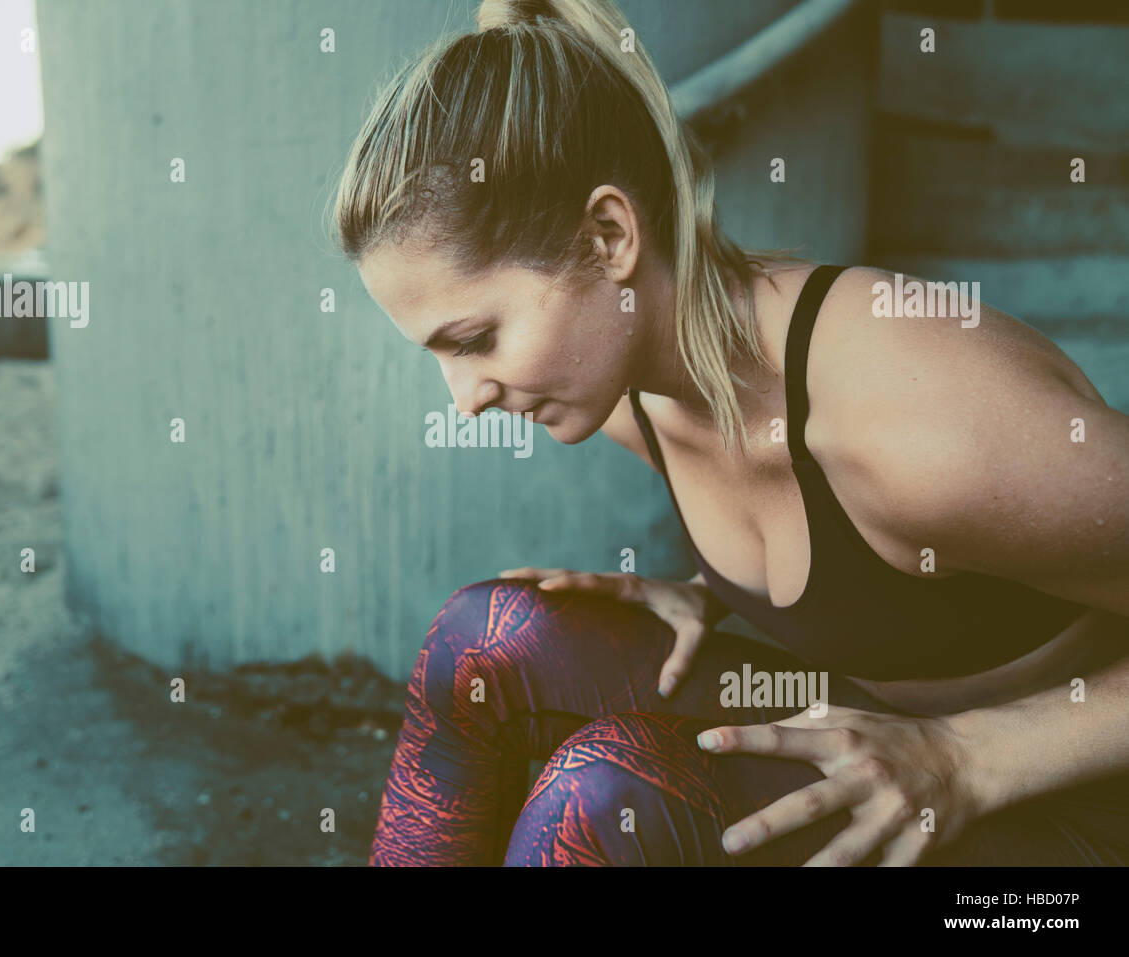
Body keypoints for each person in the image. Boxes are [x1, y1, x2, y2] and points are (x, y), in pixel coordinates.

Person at [328, 0, 1129, 865]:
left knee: (603, 796)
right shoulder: (639, 395)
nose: (465, 399)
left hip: (1064, 835)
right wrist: (722, 594)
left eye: (477, 339)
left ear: (608, 237)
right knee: (482, 643)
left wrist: (970, 755)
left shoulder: (926, 432)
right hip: (889, 747)